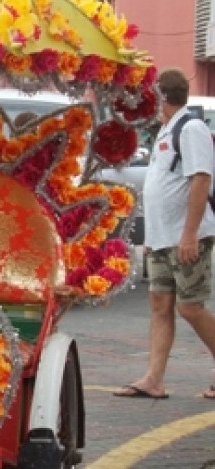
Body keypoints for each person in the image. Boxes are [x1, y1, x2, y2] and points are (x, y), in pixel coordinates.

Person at [114, 68, 215, 400]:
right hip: (162, 237)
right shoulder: (166, 131)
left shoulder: (191, 128)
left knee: (190, 307)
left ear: (164, 97)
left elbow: (201, 179)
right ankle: (153, 379)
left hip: (186, 235)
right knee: (160, 303)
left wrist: (189, 235)